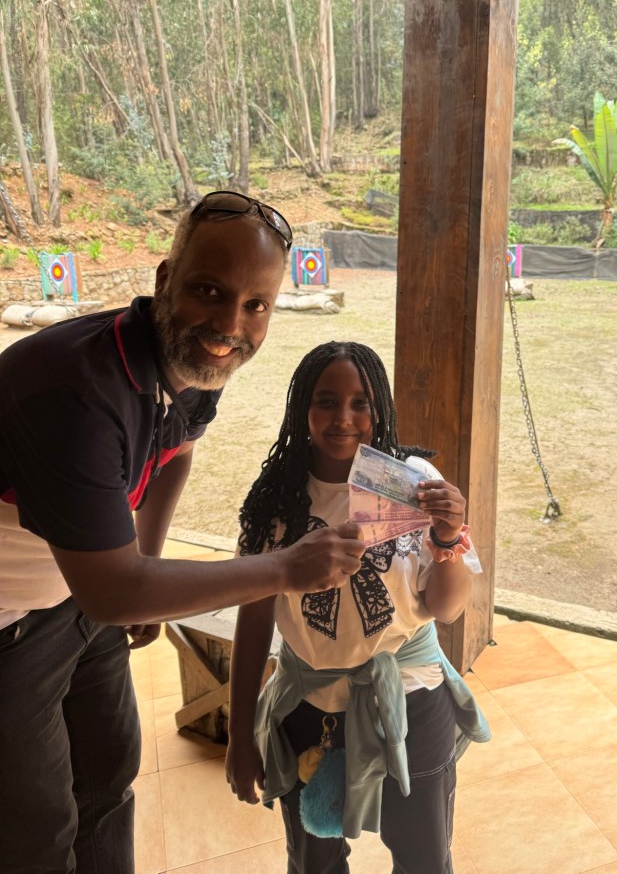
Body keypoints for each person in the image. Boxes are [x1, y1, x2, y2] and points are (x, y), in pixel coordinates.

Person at [0, 192, 365, 874]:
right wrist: (285, 568)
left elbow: (177, 452)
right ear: (166, 279)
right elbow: (115, 592)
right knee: (34, 829)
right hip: (11, 624)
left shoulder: (192, 361)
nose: (231, 325)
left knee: (107, 779)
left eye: (257, 305)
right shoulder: (75, 394)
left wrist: (147, 555)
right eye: (210, 291)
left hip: (75, 593)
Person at [225, 341, 490, 874]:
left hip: (409, 699)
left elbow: (446, 609)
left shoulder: (413, 484)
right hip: (310, 703)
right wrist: (239, 736)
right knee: (313, 859)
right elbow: (252, 623)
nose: (343, 418)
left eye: (360, 403)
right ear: (301, 409)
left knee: (423, 859)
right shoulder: (277, 499)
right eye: (325, 401)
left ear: (381, 407)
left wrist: (448, 536)